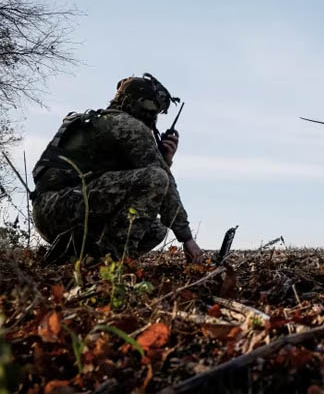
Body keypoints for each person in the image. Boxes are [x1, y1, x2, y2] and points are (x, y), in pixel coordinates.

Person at [31, 73, 204, 264]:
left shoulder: (99, 120)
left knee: (156, 229)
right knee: (157, 177)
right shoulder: (126, 124)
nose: (153, 116)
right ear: (134, 102)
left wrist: (165, 160)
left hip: (51, 212)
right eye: (151, 107)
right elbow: (160, 180)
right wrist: (187, 238)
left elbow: (124, 184)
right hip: (65, 208)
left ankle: (78, 257)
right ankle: (112, 262)